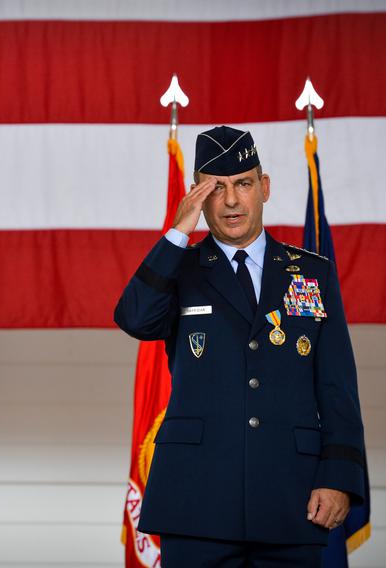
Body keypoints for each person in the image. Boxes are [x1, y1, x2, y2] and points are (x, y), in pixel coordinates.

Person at [114, 126, 366, 567]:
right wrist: (178, 232)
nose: (231, 201)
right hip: (197, 504)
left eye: (244, 184)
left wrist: (339, 479)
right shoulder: (181, 269)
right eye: (216, 188)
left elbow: (338, 389)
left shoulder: (311, 273)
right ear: (198, 196)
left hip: (293, 501)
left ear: (264, 187)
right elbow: (134, 318)